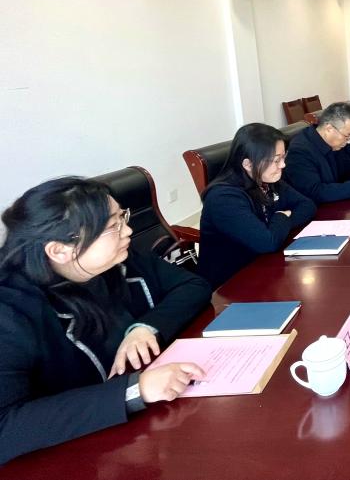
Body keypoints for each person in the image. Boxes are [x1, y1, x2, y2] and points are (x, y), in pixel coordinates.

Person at [0, 177, 211, 463]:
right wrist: (135, 390)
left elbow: (193, 285)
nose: (128, 230)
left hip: (139, 434)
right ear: (59, 250)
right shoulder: (10, 314)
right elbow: (6, 428)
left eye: (122, 217)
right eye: (113, 226)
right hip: (73, 457)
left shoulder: (116, 259)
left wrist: (144, 328)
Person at [197, 123, 315, 289]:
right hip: (231, 284)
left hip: (265, 265)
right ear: (248, 164)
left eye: (283, 157)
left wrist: (278, 227)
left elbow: (307, 205)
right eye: (276, 160)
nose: (283, 165)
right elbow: (268, 243)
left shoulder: (265, 179)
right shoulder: (223, 198)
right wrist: (281, 216)